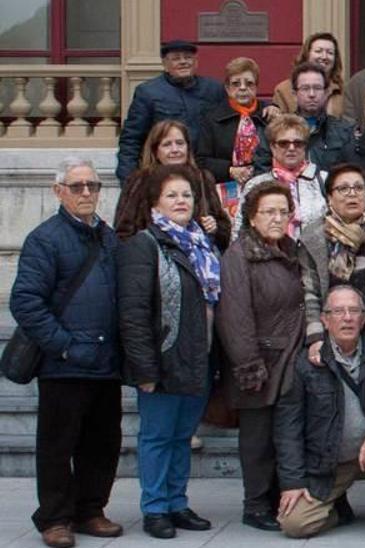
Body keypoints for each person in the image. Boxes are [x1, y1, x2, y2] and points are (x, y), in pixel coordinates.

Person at [12, 158, 124, 548]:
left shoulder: (108, 237)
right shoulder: (45, 239)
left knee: (103, 442)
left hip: (106, 364)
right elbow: (26, 302)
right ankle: (55, 518)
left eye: (92, 185)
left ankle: (90, 510)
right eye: (76, 186)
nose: (86, 193)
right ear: (58, 191)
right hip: (63, 366)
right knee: (58, 447)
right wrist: (64, 346)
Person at [116, 165, 221, 539]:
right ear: (155, 203)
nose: (181, 201)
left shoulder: (203, 243)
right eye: (172, 195)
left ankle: (177, 502)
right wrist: (144, 368)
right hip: (163, 358)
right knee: (158, 437)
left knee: (182, 436)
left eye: (187, 195)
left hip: (200, 356)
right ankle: (155, 507)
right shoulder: (144, 244)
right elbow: (133, 312)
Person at [273, 286, 365, 538]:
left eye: (354, 311)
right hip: (331, 462)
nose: (347, 317)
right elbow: (288, 427)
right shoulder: (306, 363)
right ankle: (338, 510)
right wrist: (292, 483)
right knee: (294, 525)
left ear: (364, 318)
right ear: (325, 320)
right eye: (338, 311)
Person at [216, 181, 305, 532]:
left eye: (283, 211)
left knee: (284, 434)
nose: (277, 217)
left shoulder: (292, 250)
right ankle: (254, 504)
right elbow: (235, 317)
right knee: (257, 439)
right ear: (251, 217)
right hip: (259, 362)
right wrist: (248, 365)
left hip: (291, 357)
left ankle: (279, 498)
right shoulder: (239, 257)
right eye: (269, 211)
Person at [299, 163, 365, 366]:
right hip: (334, 337)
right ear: (329, 197)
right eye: (343, 189)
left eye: (358, 188)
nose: (352, 194)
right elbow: (310, 292)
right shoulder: (313, 236)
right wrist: (316, 336)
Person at [117, 40, 224, 182]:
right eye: (176, 59)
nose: (183, 62)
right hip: (162, 174)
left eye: (188, 57)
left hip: (205, 174)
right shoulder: (148, 93)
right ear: (165, 65)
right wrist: (128, 180)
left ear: (196, 62)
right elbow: (131, 139)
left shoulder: (214, 90)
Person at [115, 120, 232, 250]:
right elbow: (124, 230)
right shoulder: (141, 180)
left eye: (180, 143)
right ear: (155, 150)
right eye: (167, 145)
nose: (175, 149)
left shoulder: (203, 178)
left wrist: (215, 227)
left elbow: (224, 229)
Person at [250, 63, 355, 174]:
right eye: (305, 88)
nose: (311, 94)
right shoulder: (276, 130)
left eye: (317, 88)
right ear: (294, 95)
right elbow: (262, 169)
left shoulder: (344, 131)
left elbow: (350, 172)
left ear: (326, 93)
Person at [239, 114, 329, 238]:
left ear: (305, 146)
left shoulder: (325, 181)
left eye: (298, 143)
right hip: (268, 255)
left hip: (317, 255)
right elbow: (240, 231)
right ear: (272, 147)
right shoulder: (256, 185)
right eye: (283, 143)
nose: (291, 148)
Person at [197, 57, 269, 187]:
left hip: (263, 186)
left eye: (249, 83)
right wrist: (229, 169)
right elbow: (201, 160)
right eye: (236, 84)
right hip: (225, 188)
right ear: (227, 88)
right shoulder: (212, 118)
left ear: (256, 87)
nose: (242, 88)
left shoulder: (268, 114)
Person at [269, 33, 345, 119]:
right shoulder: (283, 90)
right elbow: (278, 126)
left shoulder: (343, 91)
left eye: (330, 53)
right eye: (318, 51)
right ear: (307, 54)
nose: (324, 57)